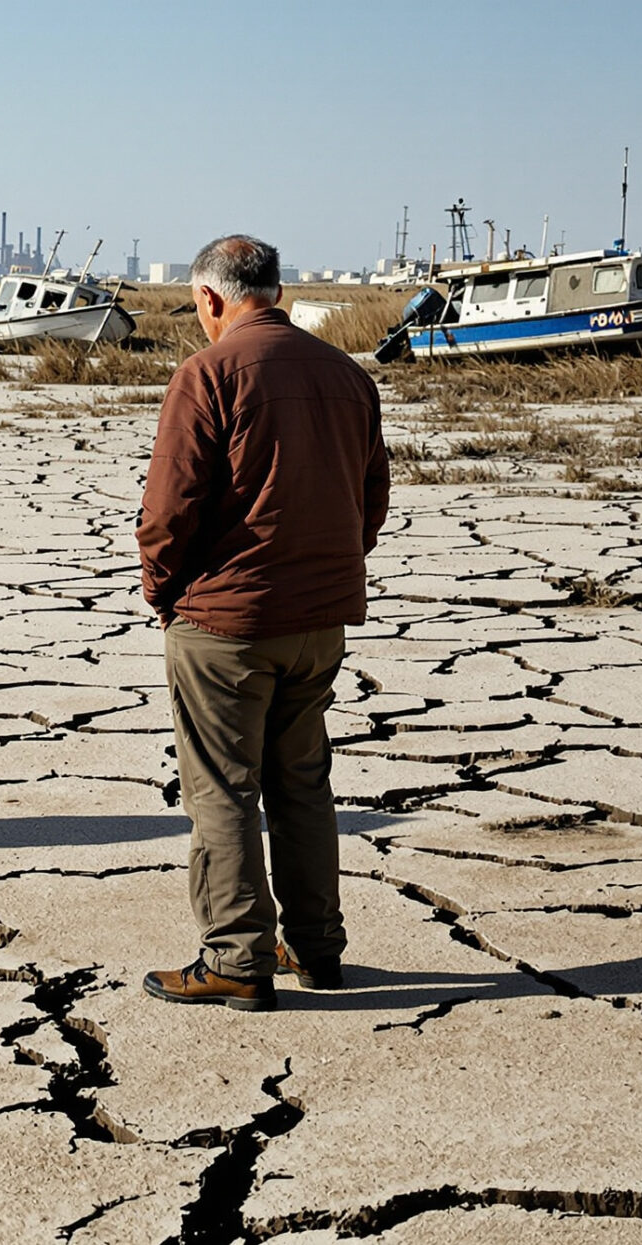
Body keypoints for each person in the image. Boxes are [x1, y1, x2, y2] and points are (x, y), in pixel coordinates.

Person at [135, 235, 389, 1010]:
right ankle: (317, 948)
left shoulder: (207, 373)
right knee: (303, 784)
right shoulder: (348, 375)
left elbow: (169, 511)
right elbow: (370, 502)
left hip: (228, 622)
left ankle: (238, 957)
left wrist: (164, 592)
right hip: (321, 620)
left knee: (222, 789)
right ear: (273, 290)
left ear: (211, 299)